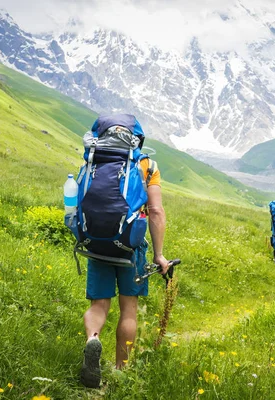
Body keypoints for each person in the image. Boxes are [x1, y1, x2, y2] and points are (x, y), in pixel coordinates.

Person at [80, 153, 170, 389]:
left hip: (97, 242)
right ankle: (121, 371)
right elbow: (157, 211)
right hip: (132, 245)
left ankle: (93, 339)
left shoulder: (96, 159)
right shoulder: (148, 165)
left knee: (98, 305)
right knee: (128, 308)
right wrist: (159, 255)